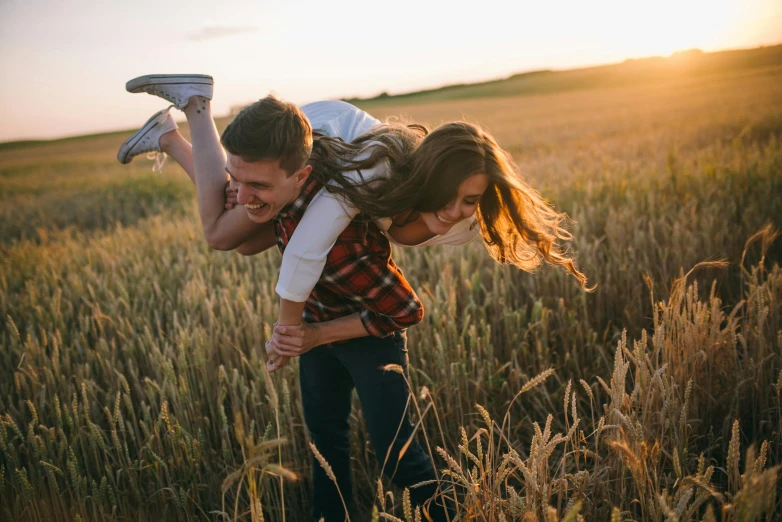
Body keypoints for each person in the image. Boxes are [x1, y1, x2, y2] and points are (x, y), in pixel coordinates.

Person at [117, 75, 453, 521]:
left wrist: (308, 334)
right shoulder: (286, 196)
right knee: (323, 447)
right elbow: (254, 219)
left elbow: (404, 310)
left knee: (399, 457)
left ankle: (452, 514)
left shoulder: (342, 237)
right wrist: (304, 334)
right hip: (314, 335)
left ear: (302, 177)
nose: (239, 193)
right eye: (236, 178)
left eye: (255, 184)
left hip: (368, 343)